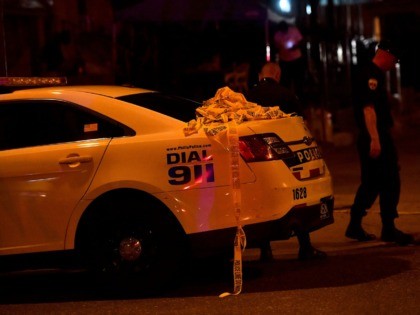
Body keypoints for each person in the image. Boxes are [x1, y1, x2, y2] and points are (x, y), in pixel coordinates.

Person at [246, 62, 327, 261]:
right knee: (298, 200)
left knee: (263, 201)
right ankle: (305, 246)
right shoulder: (287, 95)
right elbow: (301, 126)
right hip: (288, 157)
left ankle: (265, 251)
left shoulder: (247, 98)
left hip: (258, 158)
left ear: (260, 75)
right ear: (278, 74)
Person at [345, 40, 414, 246]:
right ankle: (388, 228)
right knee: (390, 179)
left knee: (372, 181)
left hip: (372, 135)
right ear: (387, 54)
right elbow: (368, 109)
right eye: (395, 60)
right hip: (374, 136)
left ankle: (355, 224)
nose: (395, 64)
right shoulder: (371, 75)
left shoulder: (370, 72)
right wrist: (375, 139)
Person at [273, 21, 306, 101]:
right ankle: (287, 100)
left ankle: (300, 99)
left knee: (298, 81)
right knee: (285, 82)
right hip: (285, 60)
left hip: (296, 59)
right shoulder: (277, 35)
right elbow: (276, 47)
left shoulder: (294, 31)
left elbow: (301, 41)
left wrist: (294, 47)